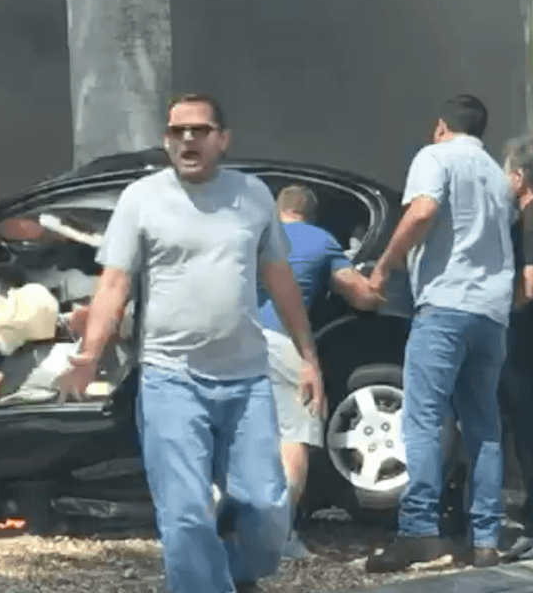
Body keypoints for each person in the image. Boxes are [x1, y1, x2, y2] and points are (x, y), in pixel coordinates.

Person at [65, 93, 324, 593]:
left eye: (200, 130)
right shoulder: (141, 199)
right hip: (171, 380)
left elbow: (280, 279)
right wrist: (89, 355)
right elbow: (114, 283)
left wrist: (308, 357)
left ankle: (236, 573)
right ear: (166, 140)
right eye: (177, 131)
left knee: (267, 505)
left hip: (247, 380)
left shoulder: (253, 196)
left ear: (222, 139)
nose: (187, 139)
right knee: (184, 515)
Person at [365, 94, 514, 572]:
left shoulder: (436, 156)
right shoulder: (498, 177)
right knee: (483, 426)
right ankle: (486, 539)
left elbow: (424, 210)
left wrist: (386, 263)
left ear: (441, 127)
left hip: (446, 303)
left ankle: (418, 532)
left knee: (424, 418)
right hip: (491, 313)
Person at [257, 185, 384, 558]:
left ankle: (224, 530)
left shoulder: (254, 234)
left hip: (234, 345)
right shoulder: (320, 241)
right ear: (311, 215)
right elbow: (361, 296)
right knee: (293, 437)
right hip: (284, 344)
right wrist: (378, 286)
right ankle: (279, 536)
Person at [499, 134, 533, 561]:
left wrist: (507, 306)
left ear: (519, 177)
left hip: (525, 338)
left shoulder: (528, 218)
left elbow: (529, 282)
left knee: (526, 429)